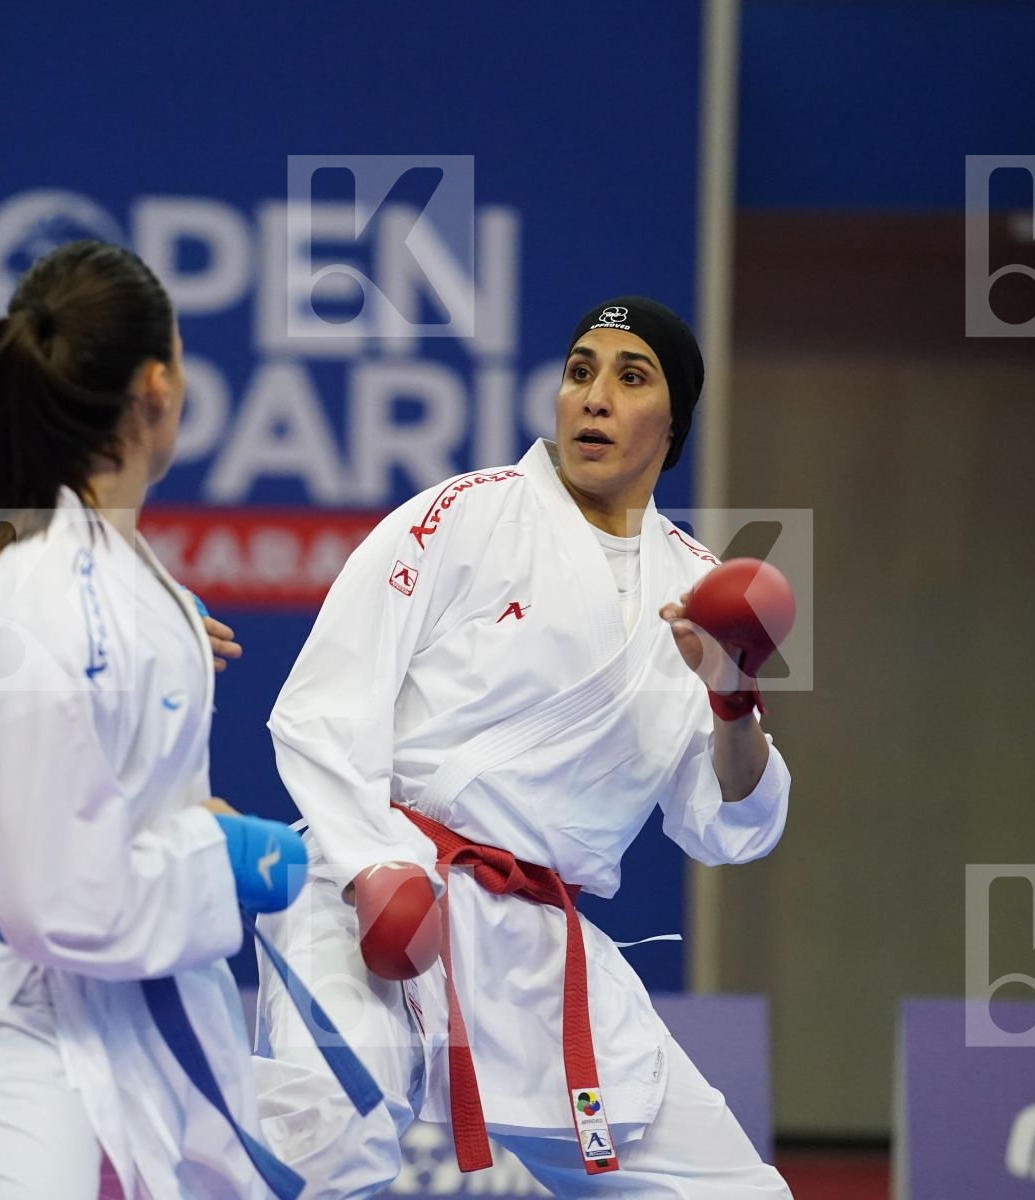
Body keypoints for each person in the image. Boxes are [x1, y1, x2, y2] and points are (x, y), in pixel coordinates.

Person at [252, 297, 795, 1197]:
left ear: (674, 423)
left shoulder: (697, 588)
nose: (594, 397)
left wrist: (732, 699)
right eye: (581, 371)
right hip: (378, 892)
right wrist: (370, 866)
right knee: (322, 1157)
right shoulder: (463, 516)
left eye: (631, 378)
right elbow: (320, 709)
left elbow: (730, 827)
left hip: (539, 942)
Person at [0, 239, 309, 1200]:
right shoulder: (42, 587)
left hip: (135, 999)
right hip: (17, 1022)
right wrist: (225, 859)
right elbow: (54, 900)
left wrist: (147, 652)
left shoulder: (111, 572)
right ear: (157, 384)